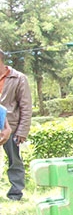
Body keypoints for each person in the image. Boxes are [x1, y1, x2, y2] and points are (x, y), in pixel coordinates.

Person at [0, 50, 32, 200]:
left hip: (11, 127)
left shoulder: (18, 78)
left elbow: (26, 107)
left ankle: (15, 193)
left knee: (15, 162)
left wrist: (22, 131)